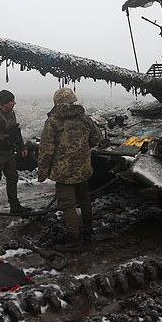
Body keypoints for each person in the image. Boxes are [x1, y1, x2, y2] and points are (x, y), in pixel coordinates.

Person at [37, 88, 102, 253]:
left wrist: (42, 172)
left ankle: (73, 240)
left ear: (56, 103)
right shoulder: (85, 119)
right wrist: (82, 150)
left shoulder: (53, 122)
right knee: (84, 199)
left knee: (67, 205)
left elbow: (46, 150)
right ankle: (88, 232)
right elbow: (97, 138)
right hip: (83, 168)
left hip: (63, 172)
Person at [0, 89, 31, 227]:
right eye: (11, 101)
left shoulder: (11, 113)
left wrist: (22, 147)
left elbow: (15, 131)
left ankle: (15, 206)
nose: (14, 103)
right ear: (5, 103)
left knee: (13, 179)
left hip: (9, 154)